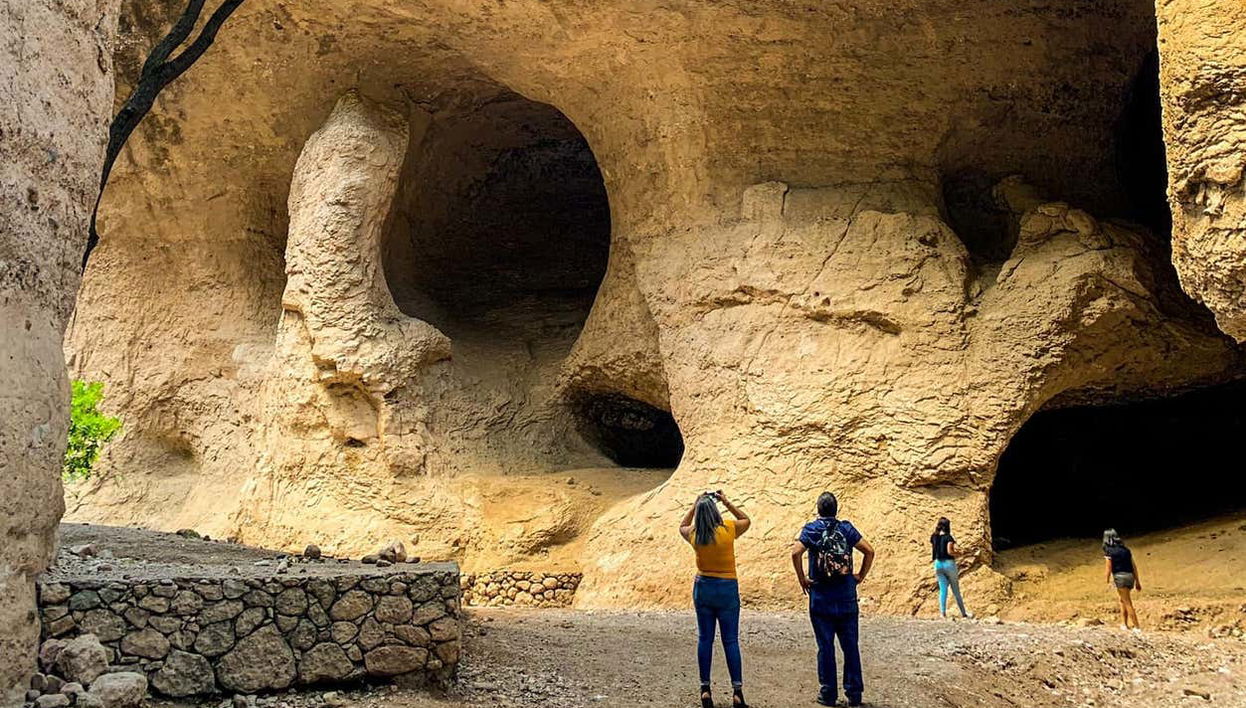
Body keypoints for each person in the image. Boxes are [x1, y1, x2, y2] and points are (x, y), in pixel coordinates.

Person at [790, 492, 875, 707]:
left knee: (825, 646)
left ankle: (828, 694)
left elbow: (795, 553)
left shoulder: (812, 529)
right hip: (846, 597)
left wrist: (803, 579)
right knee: (850, 647)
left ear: (818, 509)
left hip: (820, 599)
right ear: (836, 509)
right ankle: (854, 695)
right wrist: (859, 577)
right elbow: (869, 551)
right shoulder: (846, 529)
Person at [681, 490, 751, 708]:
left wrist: (695, 505)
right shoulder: (728, 529)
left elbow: (681, 526)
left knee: (705, 639)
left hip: (703, 588)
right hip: (727, 588)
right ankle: (737, 691)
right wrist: (726, 500)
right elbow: (746, 520)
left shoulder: (695, 534)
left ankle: (705, 689)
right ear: (715, 511)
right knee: (730, 640)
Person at [930, 517, 971, 619]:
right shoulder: (949, 537)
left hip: (938, 564)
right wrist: (960, 553)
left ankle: (942, 614)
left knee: (943, 590)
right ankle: (963, 613)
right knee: (955, 590)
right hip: (949, 564)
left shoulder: (934, 537)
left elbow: (936, 548)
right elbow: (949, 551)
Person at [1103, 528, 1142, 631]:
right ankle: (1124, 624)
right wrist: (1137, 581)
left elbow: (1108, 567)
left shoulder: (1109, 551)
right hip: (1130, 576)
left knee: (1127, 602)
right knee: (1122, 600)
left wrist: (1106, 580)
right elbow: (1134, 566)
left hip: (1120, 577)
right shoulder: (1126, 550)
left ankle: (1137, 627)